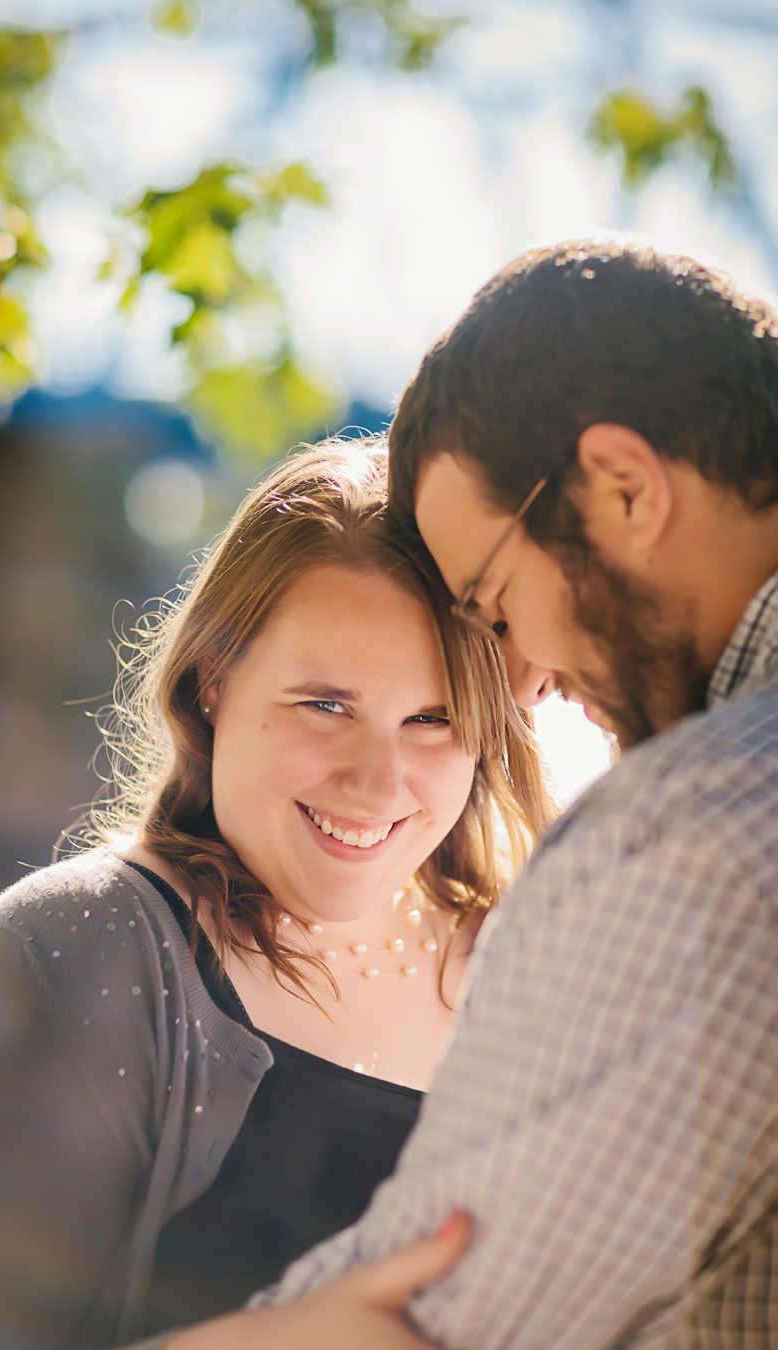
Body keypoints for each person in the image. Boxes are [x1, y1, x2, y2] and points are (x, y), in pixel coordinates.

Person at [163, 237, 778, 1350]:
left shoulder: (703, 826)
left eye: (494, 603)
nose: (525, 682)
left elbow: (444, 1315)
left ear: (626, 488)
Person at [0, 438, 551, 1348]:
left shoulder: (536, 974)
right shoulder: (72, 954)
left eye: (432, 719)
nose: (377, 783)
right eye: (326, 704)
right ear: (213, 682)